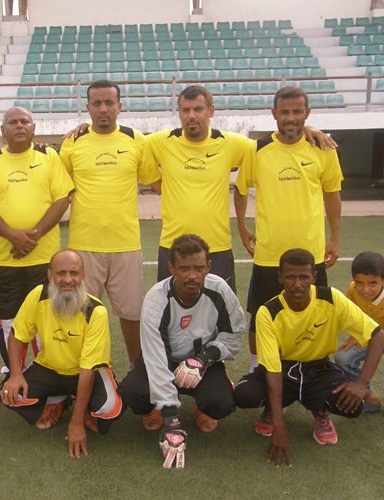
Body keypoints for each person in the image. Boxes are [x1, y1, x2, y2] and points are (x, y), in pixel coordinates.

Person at [233, 248, 384, 468]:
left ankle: (320, 409)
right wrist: (279, 425)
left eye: (304, 277)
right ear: (280, 278)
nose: (297, 284)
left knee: (353, 407)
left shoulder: (331, 298)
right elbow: (273, 370)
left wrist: (362, 384)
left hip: (319, 370)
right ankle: (273, 408)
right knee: (243, 395)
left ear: (314, 277)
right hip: (282, 371)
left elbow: (378, 336)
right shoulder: (268, 312)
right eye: (290, 277)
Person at [234, 86, 343, 372]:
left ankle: (315, 371)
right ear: (274, 114)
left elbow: (332, 194)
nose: (291, 117)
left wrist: (335, 238)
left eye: (297, 111)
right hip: (269, 254)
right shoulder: (258, 150)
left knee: (316, 314)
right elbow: (241, 189)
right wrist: (242, 226)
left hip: (311, 252)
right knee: (261, 316)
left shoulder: (323, 149)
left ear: (307, 113)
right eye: (285, 112)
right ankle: (258, 370)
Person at [0, 107, 74, 401]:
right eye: (12, 122)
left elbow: (62, 199)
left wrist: (34, 235)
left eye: (24, 121)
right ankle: (12, 374)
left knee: (48, 319)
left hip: (44, 259)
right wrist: (12, 235)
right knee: (7, 320)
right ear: (2, 130)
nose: (19, 126)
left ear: (33, 127)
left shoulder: (49, 157)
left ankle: (47, 376)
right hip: (5, 259)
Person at [120, 234, 245, 467]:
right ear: (171, 268)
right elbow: (155, 358)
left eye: (199, 268)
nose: (192, 276)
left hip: (203, 362)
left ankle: (204, 405)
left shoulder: (219, 289)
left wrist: (207, 357)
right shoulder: (156, 299)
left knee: (221, 403)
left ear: (208, 267)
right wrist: (171, 420)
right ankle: (160, 404)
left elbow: (235, 332)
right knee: (133, 393)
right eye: (184, 268)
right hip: (164, 360)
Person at [59, 80, 161, 365]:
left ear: (119, 106)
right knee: (81, 315)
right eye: (97, 103)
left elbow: (158, 182)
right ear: (88, 107)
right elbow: (58, 187)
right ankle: (82, 371)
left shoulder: (136, 140)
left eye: (109, 103)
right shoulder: (73, 142)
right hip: (84, 246)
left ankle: (137, 369)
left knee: (131, 314)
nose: (103, 109)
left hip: (125, 245)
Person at [1, 250, 124, 458]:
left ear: (83, 275)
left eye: (74, 273)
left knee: (110, 409)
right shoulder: (38, 295)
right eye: (61, 273)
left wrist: (76, 424)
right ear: (50, 276)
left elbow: (87, 369)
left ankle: (84, 409)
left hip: (86, 373)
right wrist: (15, 374)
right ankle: (58, 401)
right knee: (10, 394)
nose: (68, 280)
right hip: (49, 368)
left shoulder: (95, 311)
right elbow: (16, 336)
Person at [147, 85, 248, 289]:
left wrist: (307, 131)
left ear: (211, 111)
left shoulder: (231, 143)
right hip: (173, 246)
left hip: (216, 246)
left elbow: (271, 146)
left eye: (198, 109)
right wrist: (89, 127)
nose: (191, 115)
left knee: (219, 308)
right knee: (171, 307)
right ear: (179, 113)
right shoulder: (161, 142)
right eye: (186, 110)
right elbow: (123, 141)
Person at [334, 251, 384, 421]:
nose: (365, 290)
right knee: (342, 358)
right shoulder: (352, 290)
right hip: (371, 338)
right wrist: (356, 335)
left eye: (372, 283)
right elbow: (351, 315)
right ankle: (369, 396)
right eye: (359, 283)